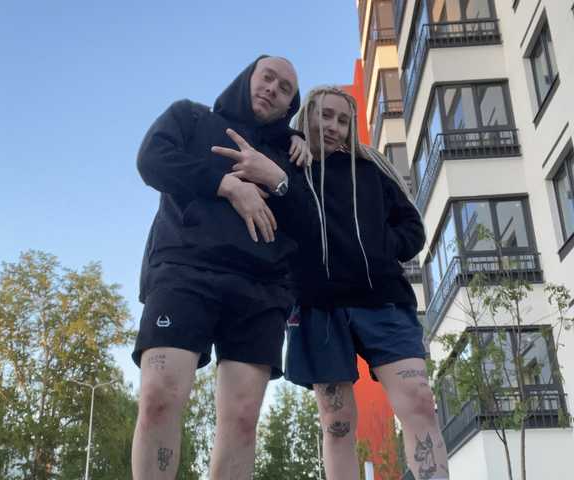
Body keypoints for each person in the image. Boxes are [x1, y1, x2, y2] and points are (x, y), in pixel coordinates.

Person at [131, 55, 316, 480]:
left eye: (285, 88)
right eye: (267, 77)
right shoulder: (190, 117)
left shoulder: (291, 158)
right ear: (248, 78)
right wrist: (226, 184)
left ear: (290, 105)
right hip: (184, 272)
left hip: (262, 290)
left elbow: (310, 226)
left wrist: (276, 178)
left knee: (242, 420)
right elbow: (152, 160)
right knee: (159, 397)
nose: (272, 89)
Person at [286, 86, 449, 480]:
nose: (334, 126)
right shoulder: (286, 169)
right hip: (318, 308)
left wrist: (380, 247)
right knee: (337, 421)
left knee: (419, 402)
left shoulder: (370, 170)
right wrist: (289, 141)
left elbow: (412, 228)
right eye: (325, 115)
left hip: (383, 300)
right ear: (306, 116)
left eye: (343, 121)